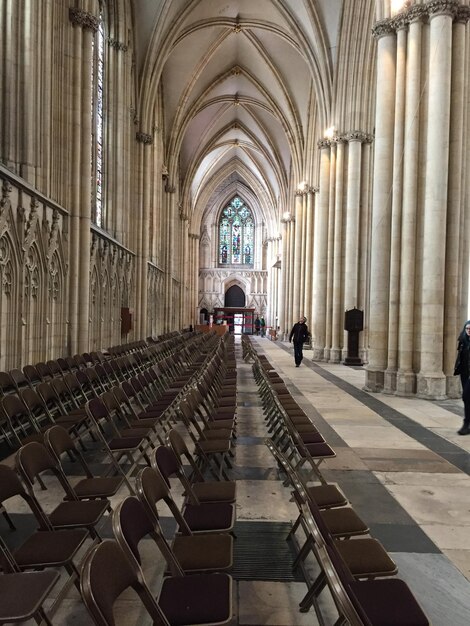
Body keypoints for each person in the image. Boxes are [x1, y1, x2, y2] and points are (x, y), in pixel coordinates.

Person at [454, 320, 470, 435]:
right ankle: (467, 424)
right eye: (467, 328)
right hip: (464, 373)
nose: (469, 331)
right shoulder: (463, 340)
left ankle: (466, 423)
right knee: (467, 399)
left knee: (466, 396)